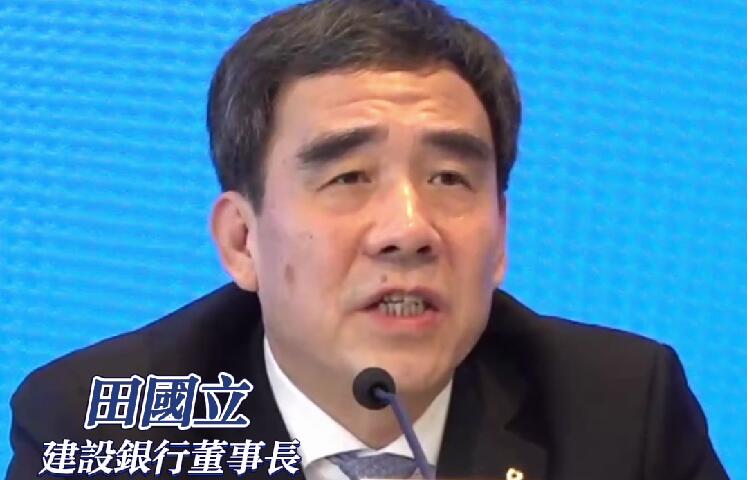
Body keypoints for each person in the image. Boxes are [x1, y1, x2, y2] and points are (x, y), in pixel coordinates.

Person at [7, 1, 728, 479]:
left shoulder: (621, 409)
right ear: (242, 241)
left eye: (450, 179)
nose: (408, 229)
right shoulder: (104, 428)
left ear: (501, 235)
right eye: (349, 178)